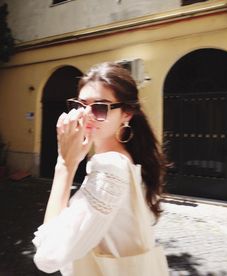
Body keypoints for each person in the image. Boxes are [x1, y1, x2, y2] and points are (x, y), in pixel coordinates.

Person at [32, 62, 168, 275]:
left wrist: (65, 165)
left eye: (100, 107)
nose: (87, 115)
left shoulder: (110, 168)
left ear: (126, 114)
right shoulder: (119, 160)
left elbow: (48, 256)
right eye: (81, 104)